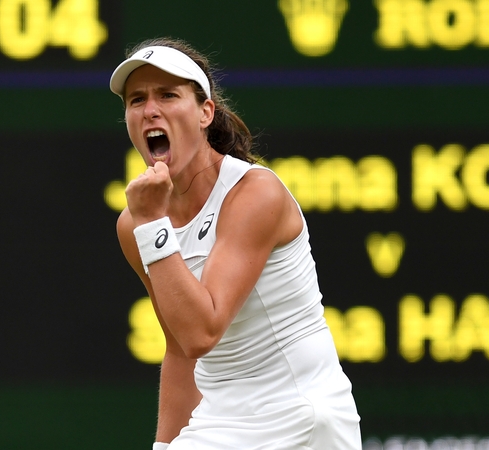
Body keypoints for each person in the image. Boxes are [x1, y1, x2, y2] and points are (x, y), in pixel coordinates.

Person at [111, 37, 361, 449]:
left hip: (300, 418)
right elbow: (180, 349)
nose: (150, 109)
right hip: (222, 420)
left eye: (168, 95)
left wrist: (153, 224)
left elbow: (201, 333)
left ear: (205, 112)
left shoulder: (255, 193)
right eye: (137, 100)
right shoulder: (134, 225)